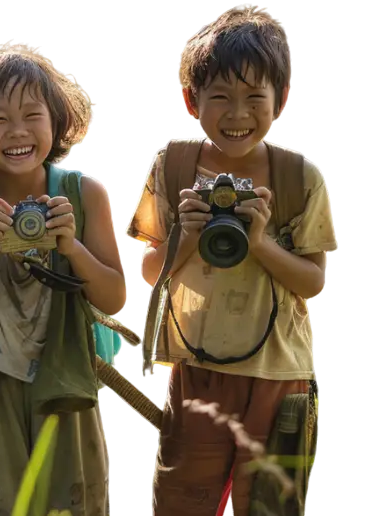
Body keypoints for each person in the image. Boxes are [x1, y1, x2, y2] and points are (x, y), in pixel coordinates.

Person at [125, 5, 337, 516]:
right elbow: (152, 271)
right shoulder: (172, 164)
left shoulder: (299, 176)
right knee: (181, 502)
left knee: (270, 504)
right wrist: (188, 236)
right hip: (197, 367)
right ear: (190, 99)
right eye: (219, 97)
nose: (237, 114)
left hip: (279, 371)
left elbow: (313, 282)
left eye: (253, 98)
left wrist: (261, 242)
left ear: (281, 99)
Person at [0, 41, 126, 515]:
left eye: (31, 115)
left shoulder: (85, 194)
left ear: (57, 121)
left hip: (66, 379)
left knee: (71, 500)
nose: (17, 132)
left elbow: (115, 299)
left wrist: (71, 246)